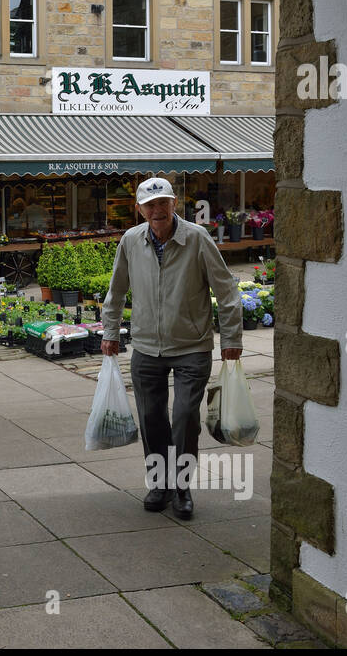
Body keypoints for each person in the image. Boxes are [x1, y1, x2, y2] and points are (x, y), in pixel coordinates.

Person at [99, 176, 243, 520]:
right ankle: (159, 484)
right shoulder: (131, 241)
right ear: (139, 209)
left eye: (163, 202)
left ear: (174, 204)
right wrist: (110, 331)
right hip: (147, 347)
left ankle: (181, 487)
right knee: (151, 420)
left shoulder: (197, 238)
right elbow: (116, 290)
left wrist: (232, 339)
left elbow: (227, 291)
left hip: (191, 345)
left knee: (183, 419)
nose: (157, 210)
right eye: (150, 205)